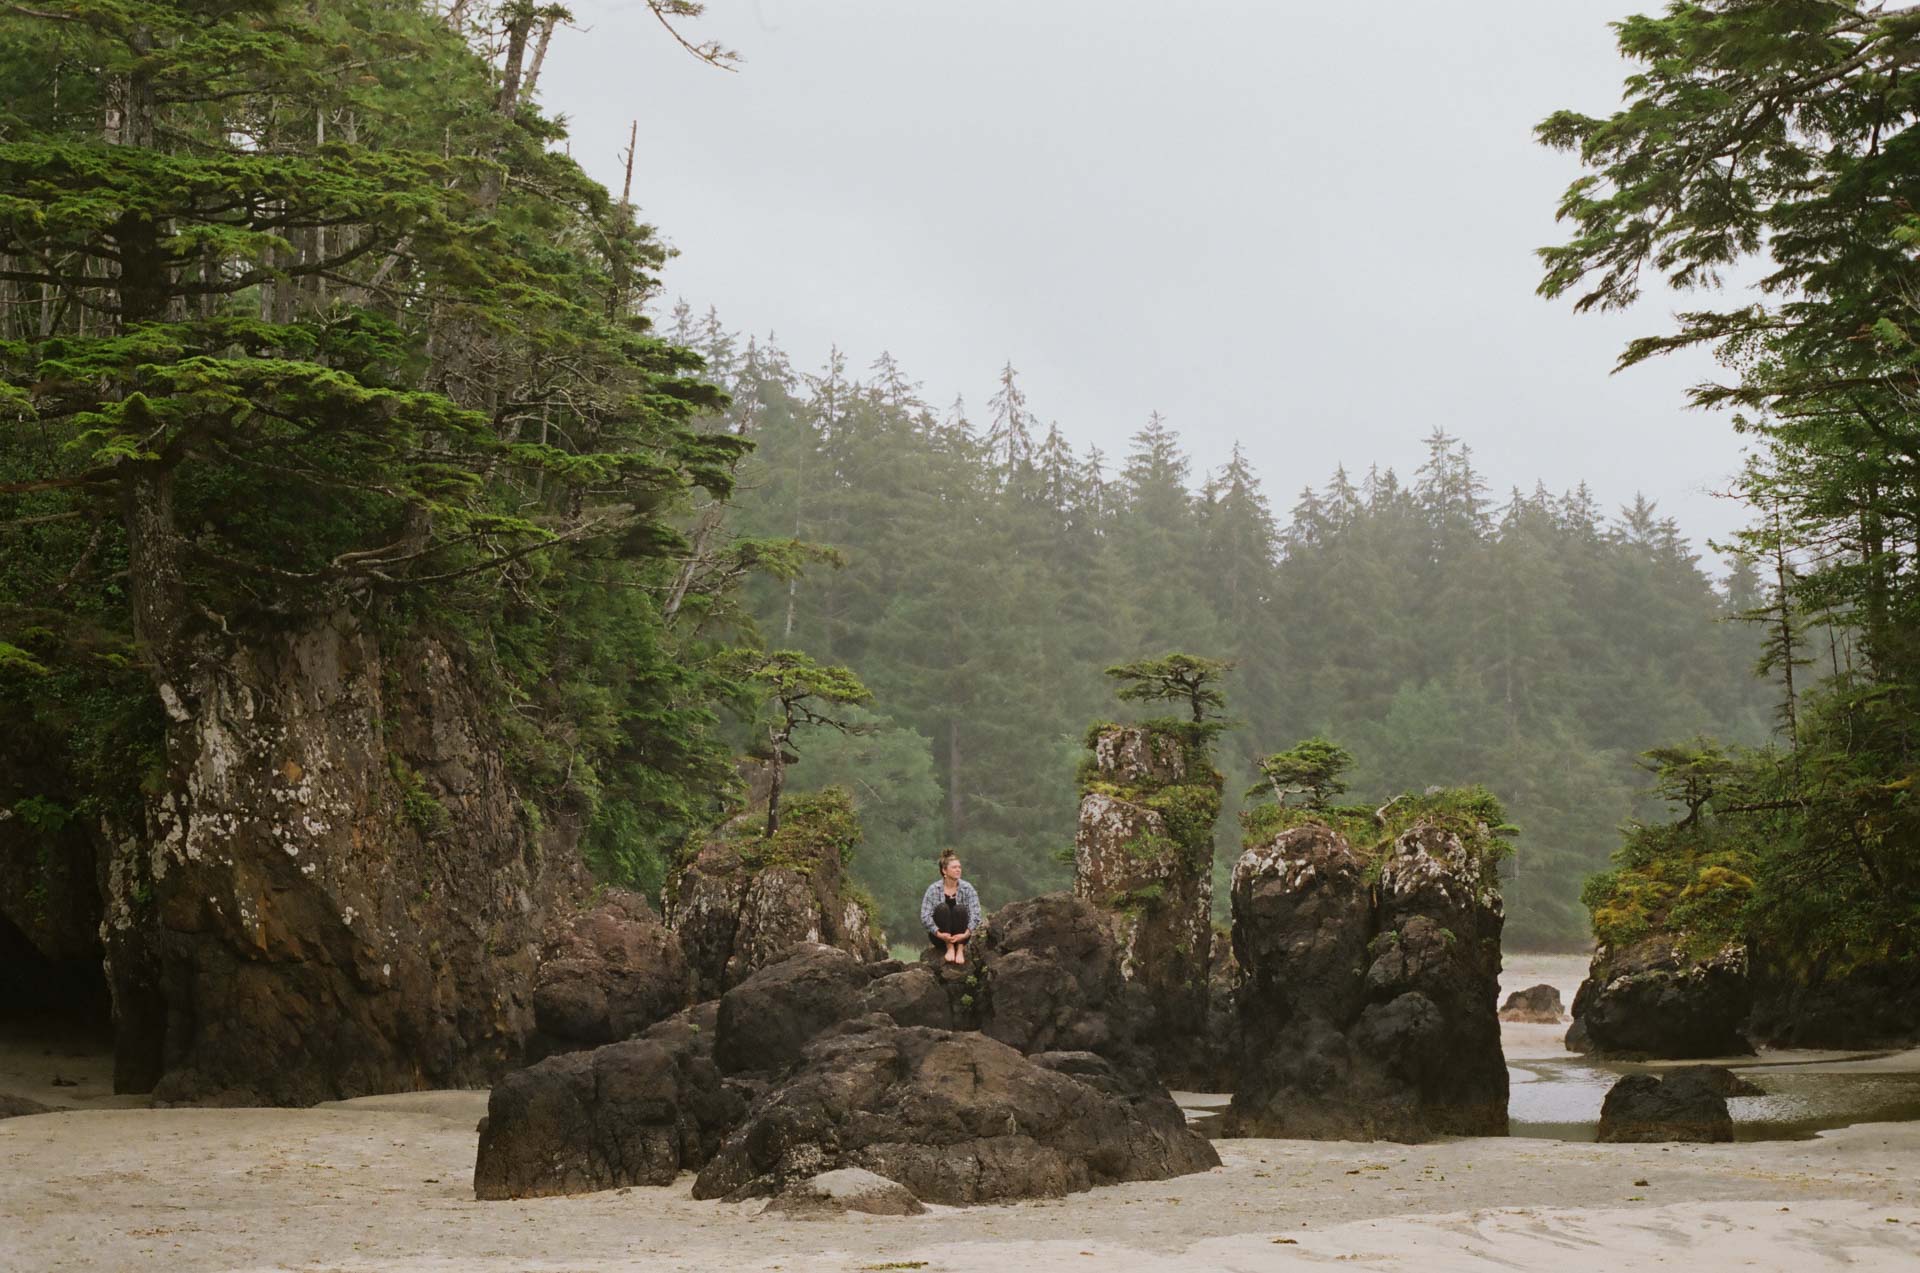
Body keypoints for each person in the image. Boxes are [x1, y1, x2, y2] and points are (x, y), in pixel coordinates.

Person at [920, 849, 980, 965]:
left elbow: (976, 914)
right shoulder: (933, 889)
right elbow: (925, 916)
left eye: (959, 867)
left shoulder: (967, 888)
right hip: (940, 936)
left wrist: (965, 934)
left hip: (962, 934)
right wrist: (939, 934)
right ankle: (950, 948)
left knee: (960, 909)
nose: (958, 870)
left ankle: (960, 949)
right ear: (944, 870)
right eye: (954, 867)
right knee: (942, 908)